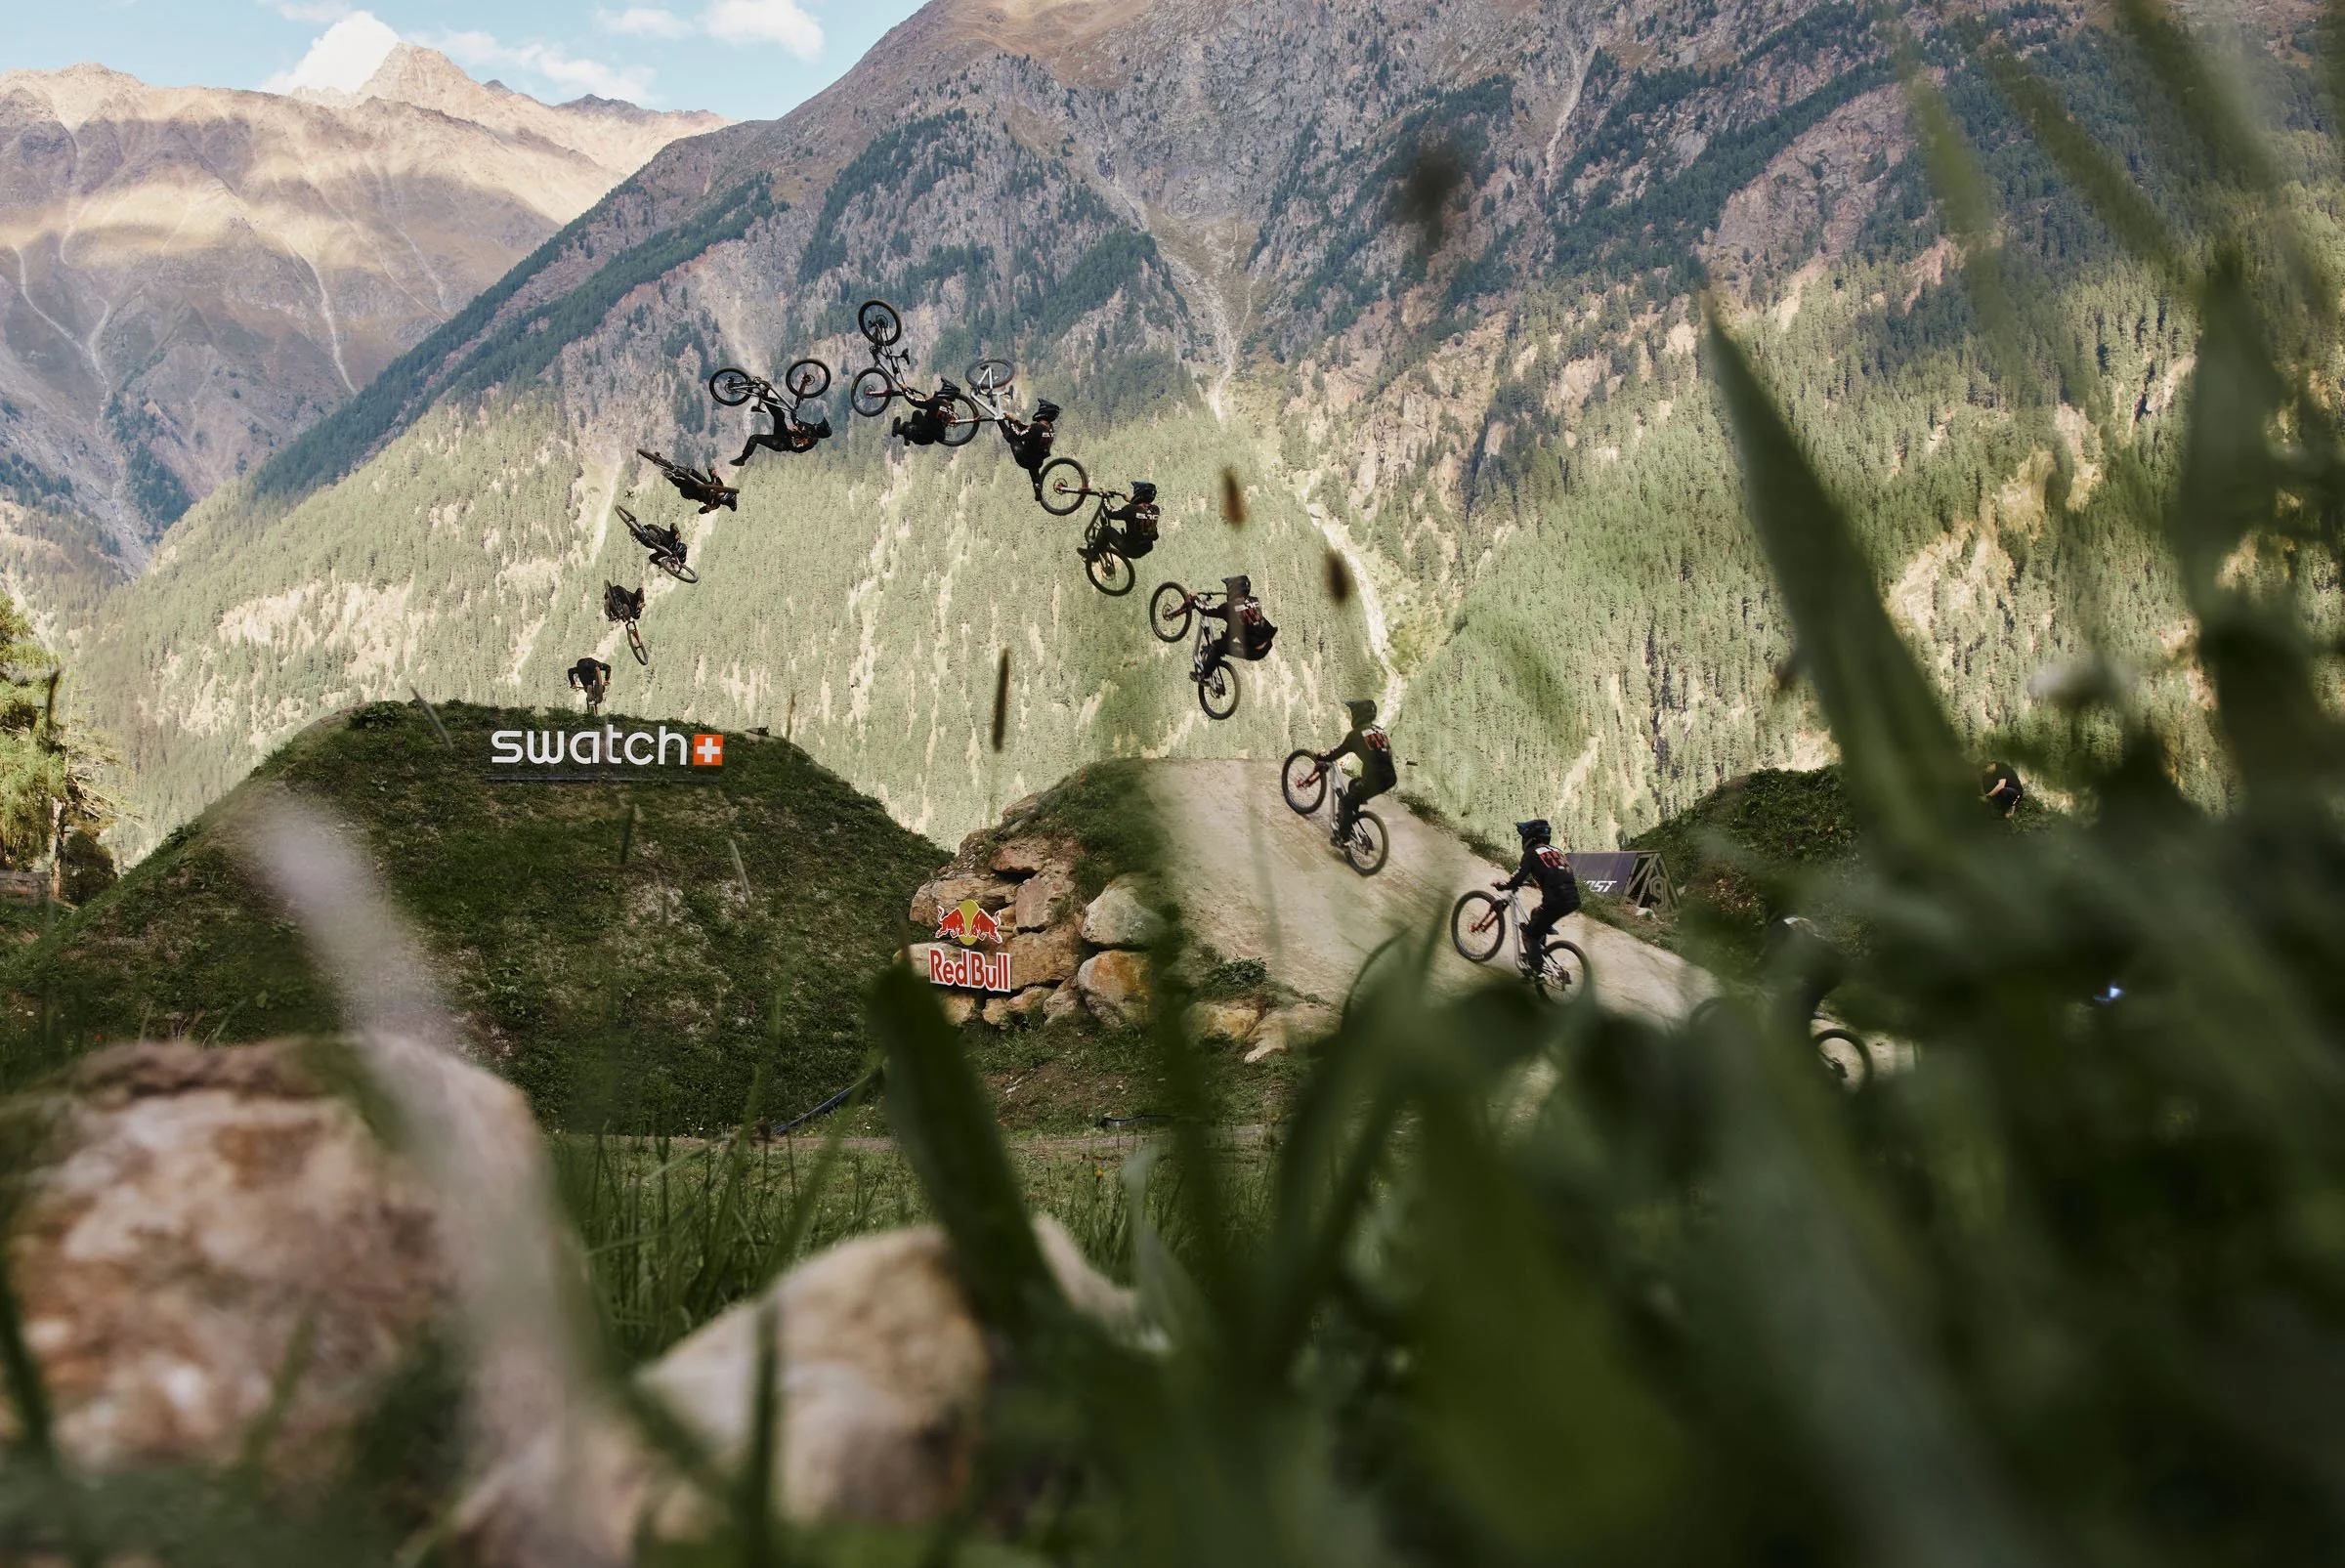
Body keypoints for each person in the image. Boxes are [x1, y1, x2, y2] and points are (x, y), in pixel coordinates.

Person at [1500, 819, 1580, 980]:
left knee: (1530, 933)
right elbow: (1554, 872)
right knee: (1537, 915)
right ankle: (1539, 952)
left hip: (1555, 901)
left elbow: (1517, 877)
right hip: (1572, 899)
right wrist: (1535, 882)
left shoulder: (1531, 853)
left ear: (1530, 837)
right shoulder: (1558, 852)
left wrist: (1504, 885)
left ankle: (1537, 971)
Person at [1314, 698, 1397, 847]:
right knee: (1354, 785)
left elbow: (1336, 753)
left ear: (1358, 715)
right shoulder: (1380, 731)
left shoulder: (1356, 734)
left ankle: (1342, 838)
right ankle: (1350, 819)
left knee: (1346, 802)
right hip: (1390, 777)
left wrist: (1320, 757)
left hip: (1373, 777)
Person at [733, 391, 830, 467]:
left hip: (780, 444)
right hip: (783, 433)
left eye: (820, 426)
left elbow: (797, 448)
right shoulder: (811, 428)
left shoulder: (811, 441)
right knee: (779, 415)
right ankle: (765, 398)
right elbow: (798, 422)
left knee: (755, 438)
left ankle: (743, 459)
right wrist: (794, 415)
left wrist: (799, 434)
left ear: (820, 431)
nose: (818, 424)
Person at [638, 447, 738, 513]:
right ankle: (677, 467)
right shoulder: (719, 484)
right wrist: (712, 471)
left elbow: (701, 511)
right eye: (723, 492)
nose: (721, 492)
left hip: (690, 492)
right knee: (702, 479)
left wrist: (707, 508)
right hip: (696, 480)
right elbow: (712, 473)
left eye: (722, 495)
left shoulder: (714, 504)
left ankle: (670, 477)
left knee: (686, 485)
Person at [1101, 480, 1160, 557]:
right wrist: (1132, 500)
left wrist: (1104, 497)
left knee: (1105, 530)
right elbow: (1141, 511)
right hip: (1146, 548)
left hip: (1130, 550)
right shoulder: (1155, 509)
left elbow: (1109, 513)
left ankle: (1092, 555)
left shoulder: (1130, 509)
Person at [1007, 399, 1060, 480]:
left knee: (1012, 439)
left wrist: (1011, 422)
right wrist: (1017, 422)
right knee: (1034, 462)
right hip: (1037, 462)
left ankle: (999, 421)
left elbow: (1018, 436)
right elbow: (1030, 432)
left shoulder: (1036, 427)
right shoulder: (1050, 428)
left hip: (1025, 460)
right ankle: (1037, 484)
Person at [890, 383, 956, 446]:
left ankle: (896, 431)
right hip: (929, 437)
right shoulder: (949, 407)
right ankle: (908, 436)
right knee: (917, 414)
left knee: (906, 426)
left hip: (919, 435)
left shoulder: (935, 403)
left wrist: (904, 390)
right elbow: (941, 438)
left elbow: (914, 401)